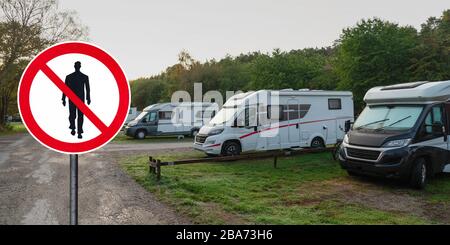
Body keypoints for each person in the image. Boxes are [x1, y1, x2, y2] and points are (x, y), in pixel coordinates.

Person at [62, 61, 91, 139]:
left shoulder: (84, 77)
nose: (77, 67)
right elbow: (65, 88)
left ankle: (79, 131)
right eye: (76, 65)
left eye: (78, 65)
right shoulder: (69, 77)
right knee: (73, 115)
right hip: (72, 98)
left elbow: (87, 89)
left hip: (80, 99)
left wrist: (88, 98)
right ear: (75, 66)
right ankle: (73, 127)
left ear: (79, 66)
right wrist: (63, 98)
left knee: (79, 116)